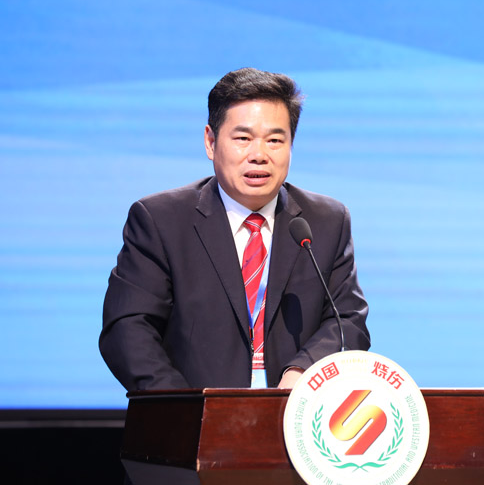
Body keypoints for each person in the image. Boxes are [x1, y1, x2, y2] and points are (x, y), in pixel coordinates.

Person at [99, 67, 370, 391]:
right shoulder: (161, 221)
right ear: (211, 142)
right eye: (243, 139)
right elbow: (128, 329)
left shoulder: (325, 221)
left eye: (275, 140)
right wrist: (187, 408)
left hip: (294, 414)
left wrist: (303, 374)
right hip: (191, 414)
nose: (259, 155)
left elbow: (348, 321)